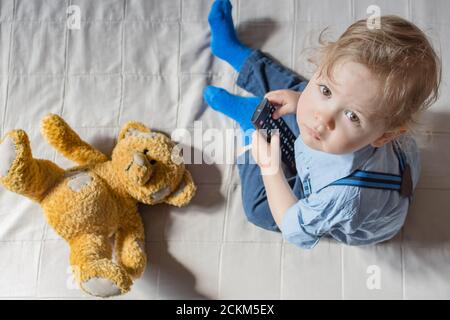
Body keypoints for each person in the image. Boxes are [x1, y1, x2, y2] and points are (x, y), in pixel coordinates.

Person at [203, 0, 441, 248]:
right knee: (302, 93)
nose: (323, 118)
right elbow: (328, 99)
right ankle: (231, 52)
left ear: (384, 137)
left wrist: (270, 167)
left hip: (333, 190)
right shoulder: (358, 118)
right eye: (326, 90)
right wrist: (298, 100)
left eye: (352, 116)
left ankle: (250, 125)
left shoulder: (343, 197)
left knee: (259, 209)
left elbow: (291, 226)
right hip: (346, 155)